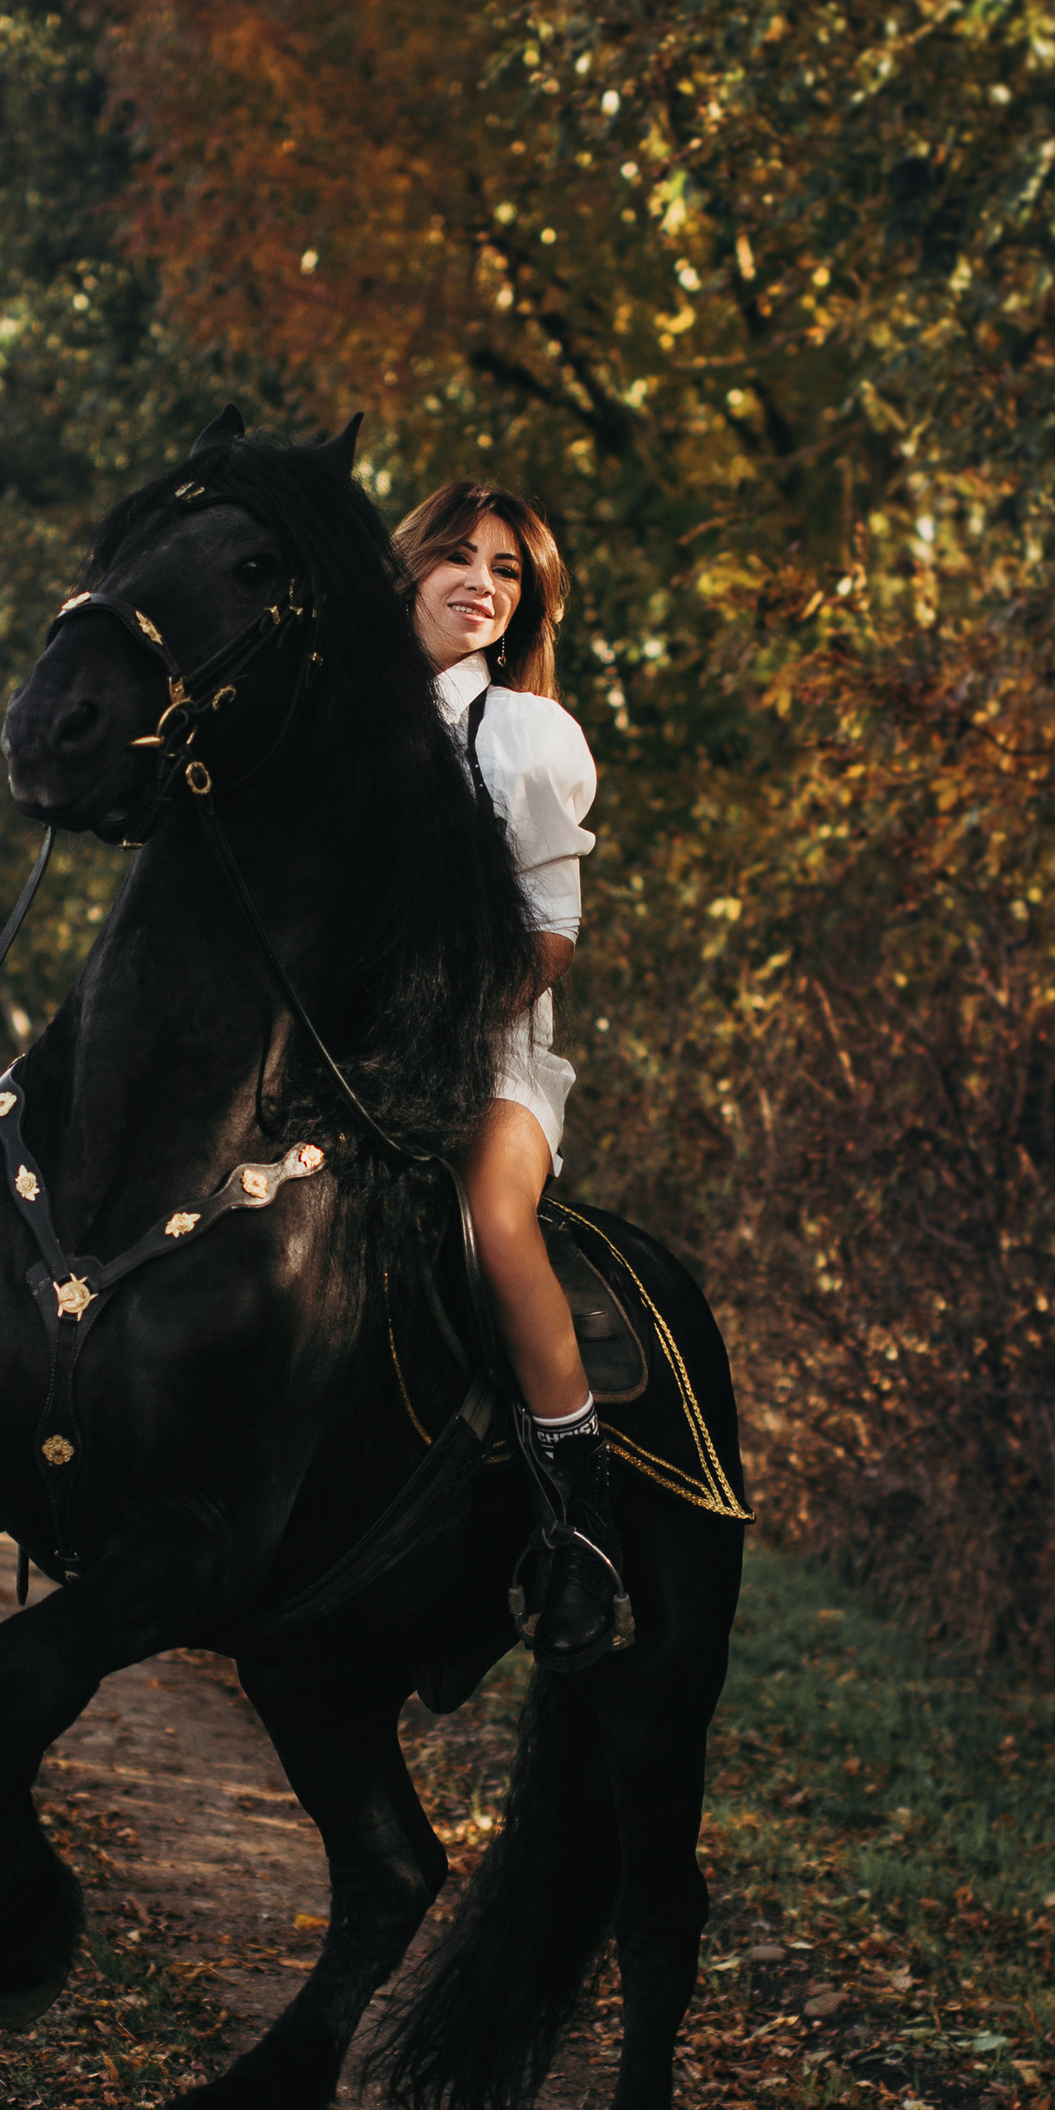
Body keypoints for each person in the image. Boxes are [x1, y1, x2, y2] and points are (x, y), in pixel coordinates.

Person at [392, 479, 625, 1669]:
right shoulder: (330, 718)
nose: (481, 581)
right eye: (459, 555)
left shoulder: (524, 736)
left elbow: (550, 932)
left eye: (509, 569)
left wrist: (443, 1020)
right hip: (330, 1056)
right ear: (411, 562)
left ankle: (579, 1523)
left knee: (490, 1218)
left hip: (487, 1058)